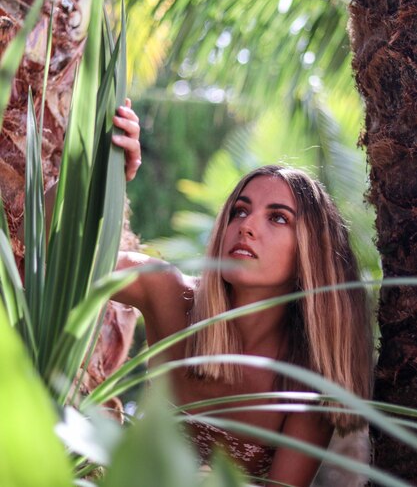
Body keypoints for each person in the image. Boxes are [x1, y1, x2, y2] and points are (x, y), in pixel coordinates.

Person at [114, 108, 374, 487]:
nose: (247, 226)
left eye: (278, 218)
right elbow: (58, 255)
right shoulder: (168, 293)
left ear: (311, 255)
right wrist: (101, 175)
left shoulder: (306, 383)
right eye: (239, 211)